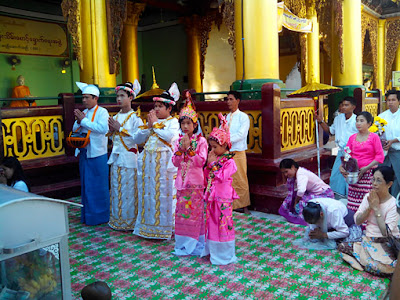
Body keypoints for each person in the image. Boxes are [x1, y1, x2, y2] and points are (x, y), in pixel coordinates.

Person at [133, 82, 180, 239]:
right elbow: (137, 138)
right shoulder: (152, 124)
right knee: (149, 195)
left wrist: (155, 126)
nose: (156, 109)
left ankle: (167, 227)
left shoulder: (173, 122)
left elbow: (170, 137)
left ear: (169, 109)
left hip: (164, 166)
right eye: (156, 106)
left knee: (165, 195)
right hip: (149, 167)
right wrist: (149, 127)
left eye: (160, 106)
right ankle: (148, 226)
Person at [338, 166, 400, 277]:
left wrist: (376, 208)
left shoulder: (393, 204)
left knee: (389, 266)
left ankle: (365, 263)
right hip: (368, 240)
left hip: (385, 243)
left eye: (379, 180)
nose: (374, 183)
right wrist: (370, 207)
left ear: (389, 184)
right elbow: (357, 221)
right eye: (373, 179)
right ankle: (366, 262)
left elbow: (386, 233)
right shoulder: (369, 197)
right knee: (342, 246)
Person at [171, 92, 208, 255]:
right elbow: (175, 162)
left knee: (195, 215)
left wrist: (190, 150)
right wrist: (181, 150)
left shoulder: (202, 141)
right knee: (182, 215)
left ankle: (196, 243)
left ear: (195, 124)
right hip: (182, 183)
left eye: (188, 123)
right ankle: (183, 244)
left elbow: (201, 161)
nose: (185, 127)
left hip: (196, 184)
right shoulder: (177, 141)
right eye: (183, 123)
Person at [201, 113, 238, 265]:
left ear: (225, 146)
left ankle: (225, 254)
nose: (213, 149)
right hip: (212, 196)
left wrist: (212, 164)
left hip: (223, 197)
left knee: (223, 223)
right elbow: (207, 176)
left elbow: (221, 176)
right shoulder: (215, 158)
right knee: (212, 223)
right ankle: (213, 251)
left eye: (216, 147)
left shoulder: (230, 163)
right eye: (211, 146)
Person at [107, 80, 143, 231]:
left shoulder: (136, 117)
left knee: (129, 190)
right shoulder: (115, 116)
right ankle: (117, 219)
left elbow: (139, 138)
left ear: (131, 97)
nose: (119, 99)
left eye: (122, 96)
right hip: (116, 158)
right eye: (117, 96)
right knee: (116, 188)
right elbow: (112, 138)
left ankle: (129, 221)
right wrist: (111, 131)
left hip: (129, 159)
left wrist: (120, 129)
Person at [73, 82, 109, 226]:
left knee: (99, 186)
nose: (84, 100)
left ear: (95, 98)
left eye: (87, 98)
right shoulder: (85, 113)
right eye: (83, 98)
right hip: (85, 152)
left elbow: (102, 129)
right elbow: (76, 128)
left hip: (98, 154)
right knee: (87, 185)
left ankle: (101, 216)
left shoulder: (102, 112)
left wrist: (84, 121)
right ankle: (88, 216)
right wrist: (79, 121)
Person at [340, 111, 385, 213]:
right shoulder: (352, 138)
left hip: (369, 175)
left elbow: (380, 157)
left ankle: (366, 225)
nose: (358, 123)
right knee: (352, 201)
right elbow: (347, 155)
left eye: (361, 121)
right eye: (357, 121)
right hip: (354, 174)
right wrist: (342, 166)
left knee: (367, 201)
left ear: (369, 124)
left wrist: (366, 168)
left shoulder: (374, 137)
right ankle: (354, 224)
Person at [316, 96, 358, 196]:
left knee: (349, 176)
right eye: (343, 105)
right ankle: (337, 197)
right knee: (335, 176)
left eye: (346, 105)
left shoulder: (357, 120)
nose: (343, 107)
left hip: (353, 152)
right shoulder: (338, 118)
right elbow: (330, 131)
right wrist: (320, 121)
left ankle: (350, 198)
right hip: (341, 152)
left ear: (353, 107)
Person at [278, 158, 334, 226]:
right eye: (283, 173)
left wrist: (296, 202)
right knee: (294, 196)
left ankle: (303, 219)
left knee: (302, 201)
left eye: (286, 171)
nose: (285, 175)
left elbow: (301, 191)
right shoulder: (298, 172)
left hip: (324, 193)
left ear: (293, 167)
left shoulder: (301, 174)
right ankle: (288, 212)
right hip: (314, 192)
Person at [225, 91, 250, 214]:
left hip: (238, 151)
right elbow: (221, 130)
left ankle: (244, 205)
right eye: (227, 99)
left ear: (237, 101)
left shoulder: (243, 117)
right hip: (226, 152)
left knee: (241, 178)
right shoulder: (225, 117)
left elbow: (241, 135)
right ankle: (230, 204)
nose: (228, 102)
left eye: (231, 99)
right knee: (228, 179)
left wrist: (226, 139)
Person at [379, 90, 400, 198]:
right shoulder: (381, 116)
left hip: (398, 151)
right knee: (383, 176)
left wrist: (393, 141)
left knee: (398, 177)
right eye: (388, 100)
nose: (390, 102)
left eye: (393, 100)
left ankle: (396, 202)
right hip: (385, 152)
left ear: (399, 101)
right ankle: (384, 201)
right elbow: (377, 133)